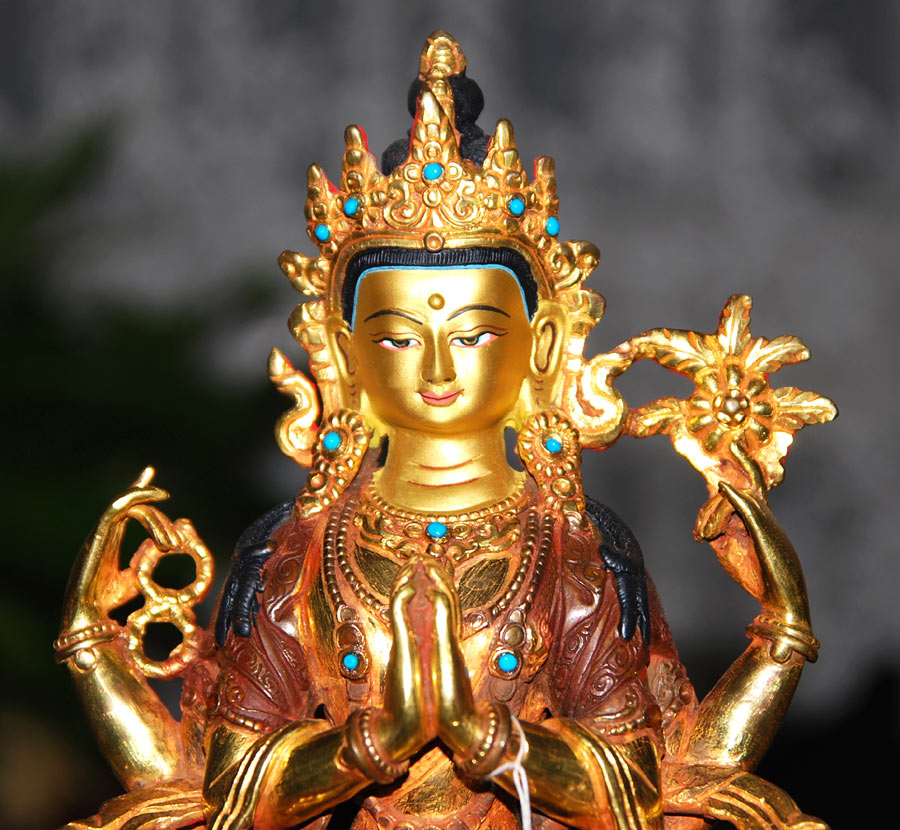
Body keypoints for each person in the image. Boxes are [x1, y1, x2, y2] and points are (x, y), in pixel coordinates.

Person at [56, 32, 831, 830]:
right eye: (396, 338)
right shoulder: (297, 557)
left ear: (545, 346)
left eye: (474, 335)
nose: (435, 368)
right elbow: (231, 785)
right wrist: (375, 743)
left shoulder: (572, 556)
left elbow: (631, 786)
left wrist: (482, 736)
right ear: (341, 353)